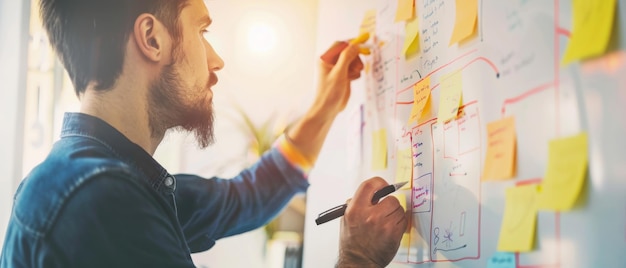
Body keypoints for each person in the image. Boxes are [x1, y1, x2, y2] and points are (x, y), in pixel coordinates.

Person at [0, 0, 407, 267]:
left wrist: (327, 105)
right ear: (151, 38)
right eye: (202, 32)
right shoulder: (99, 198)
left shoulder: (100, 177)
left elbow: (244, 199)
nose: (217, 60)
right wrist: (358, 259)